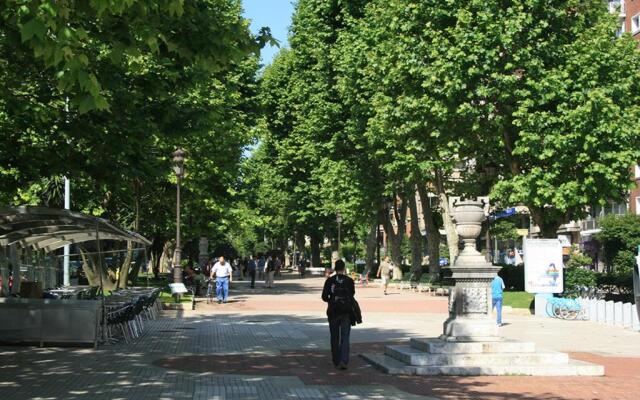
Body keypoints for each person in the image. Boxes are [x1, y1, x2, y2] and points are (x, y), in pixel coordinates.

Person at [321, 259, 355, 370]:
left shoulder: (329, 281)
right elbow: (352, 293)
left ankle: (336, 360)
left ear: (335, 269)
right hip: (346, 312)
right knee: (345, 337)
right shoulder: (349, 280)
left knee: (334, 337)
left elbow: (324, 297)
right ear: (344, 268)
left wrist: (332, 298)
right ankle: (344, 360)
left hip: (333, 312)